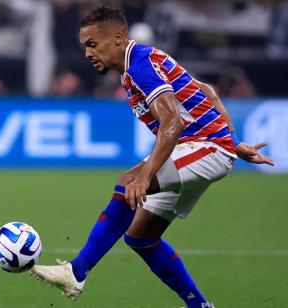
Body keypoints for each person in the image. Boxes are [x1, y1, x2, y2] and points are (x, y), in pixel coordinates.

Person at [30, 6, 273, 308]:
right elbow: (207, 92)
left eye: (92, 44)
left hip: (204, 147)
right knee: (140, 237)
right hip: (202, 147)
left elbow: (173, 122)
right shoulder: (138, 64)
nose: (87, 54)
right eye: (84, 47)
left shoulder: (139, 66)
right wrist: (235, 143)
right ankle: (200, 306)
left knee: (129, 181)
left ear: (118, 38)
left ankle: (76, 272)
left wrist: (147, 176)